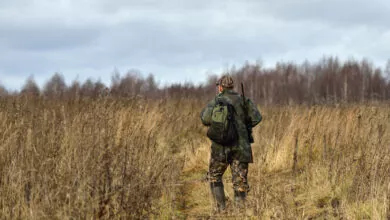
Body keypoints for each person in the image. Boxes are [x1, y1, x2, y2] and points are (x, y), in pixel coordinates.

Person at [200, 75, 262, 212]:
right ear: (232, 87)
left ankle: (220, 209)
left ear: (220, 87)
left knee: (214, 176)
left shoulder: (216, 101)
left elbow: (204, 119)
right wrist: (244, 124)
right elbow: (257, 118)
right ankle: (239, 213)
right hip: (241, 148)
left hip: (220, 147)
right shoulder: (244, 100)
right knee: (240, 182)